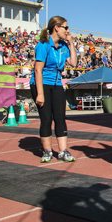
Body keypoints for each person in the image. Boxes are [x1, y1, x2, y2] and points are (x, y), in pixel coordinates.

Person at [30, 16, 77, 163]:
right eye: (65, 27)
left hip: (57, 84)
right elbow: (38, 70)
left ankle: (63, 151)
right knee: (46, 118)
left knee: (60, 117)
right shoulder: (43, 45)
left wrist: (71, 44)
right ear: (56, 27)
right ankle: (47, 151)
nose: (68, 30)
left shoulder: (63, 46)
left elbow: (74, 63)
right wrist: (40, 94)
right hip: (41, 83)